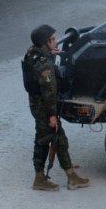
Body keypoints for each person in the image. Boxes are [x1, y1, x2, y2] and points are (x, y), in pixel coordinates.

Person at [23, 24, 90, 192]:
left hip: (38, 105)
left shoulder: (34, 53)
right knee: (47, 141)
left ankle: (70, 175)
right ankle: (41, 179)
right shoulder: (44, 65)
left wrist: (50, 56)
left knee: (58, 139)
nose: (55, 41)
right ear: (45, 43)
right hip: (45, 108)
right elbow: (49, 91)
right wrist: (52, 115)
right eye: (52, 39)